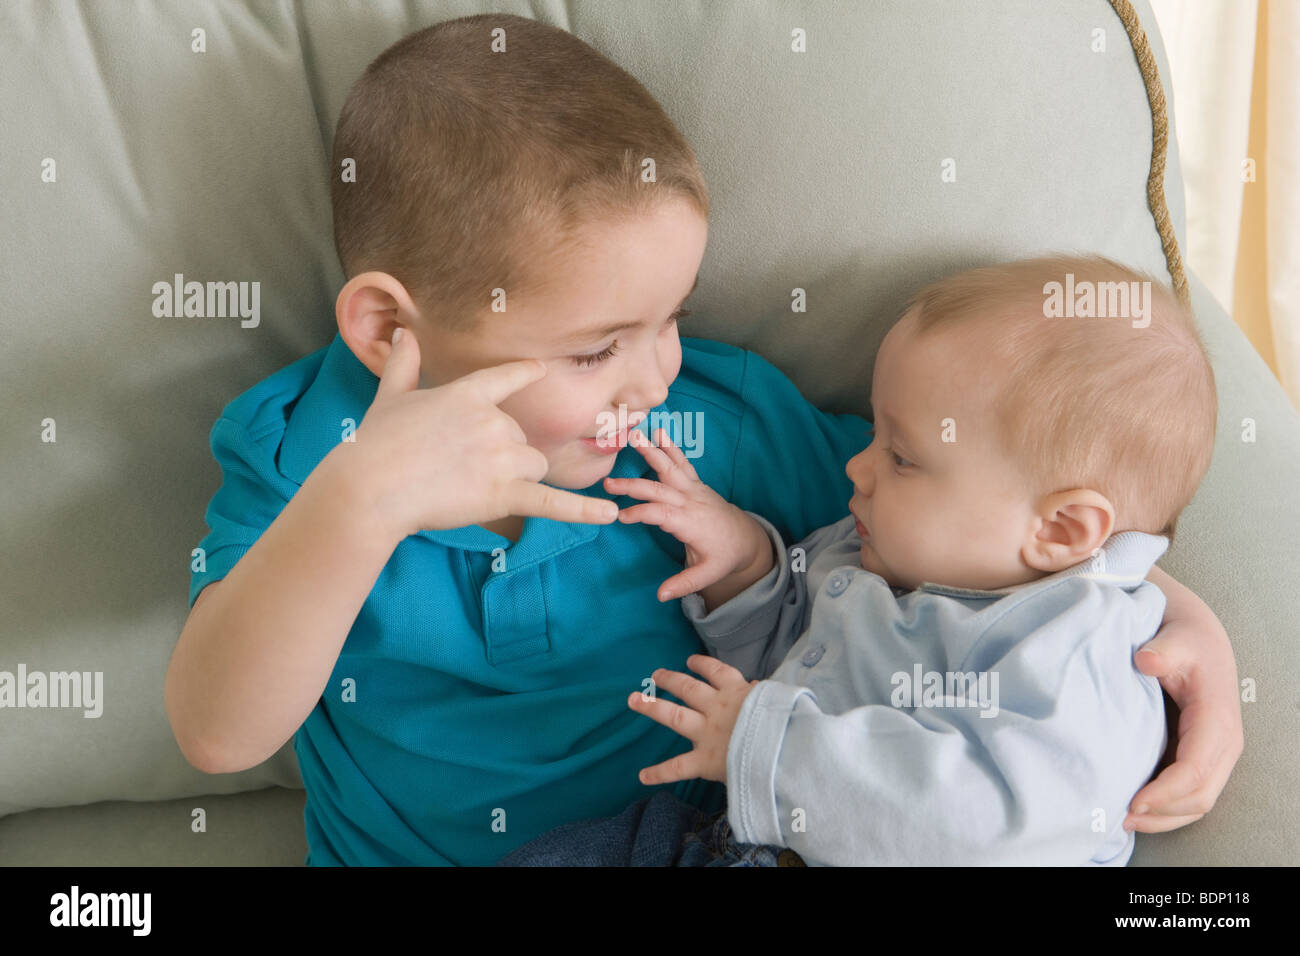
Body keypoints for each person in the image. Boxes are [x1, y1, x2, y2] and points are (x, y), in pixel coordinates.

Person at [165, 15, 1242, 866]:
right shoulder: (309, 458)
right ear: (392, 329)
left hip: (697, 838)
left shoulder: (709, 423)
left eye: (670, 318)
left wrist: (1173, 618)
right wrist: (360, 505)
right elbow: (218, 730)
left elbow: (979, 518)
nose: (655, 373)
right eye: (597, 349)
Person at [498, 255, 1229, 866]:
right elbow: (796, 662)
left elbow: (984, 824)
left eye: (901, 456)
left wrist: (768, 747)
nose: (858, 466)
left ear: (1063, 530)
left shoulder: (1078, 648)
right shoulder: (877, 555)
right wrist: (745, 568)